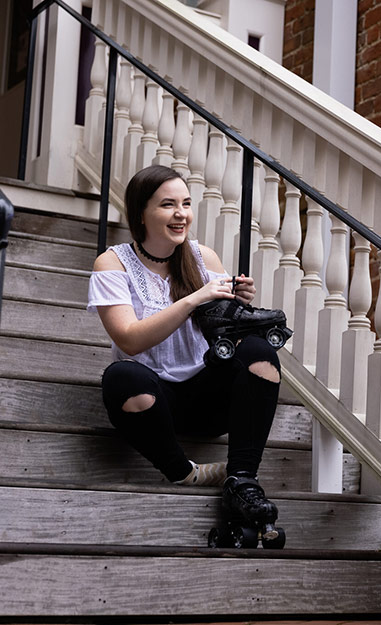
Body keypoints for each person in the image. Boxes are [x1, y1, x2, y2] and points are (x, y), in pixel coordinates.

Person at [88, 164, 284, 538]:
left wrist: (236, 305)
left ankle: (243, 479)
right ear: (141, 213)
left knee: (259, 352)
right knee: (121, 377)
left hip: (208, 401)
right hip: (155, 403)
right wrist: (194, 299)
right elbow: (129, 339)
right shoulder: (112, 263)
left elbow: (225, 335)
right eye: (168, 205)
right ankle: (183, 471)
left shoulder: (203, 258)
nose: (181, 214)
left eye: (186, 203)